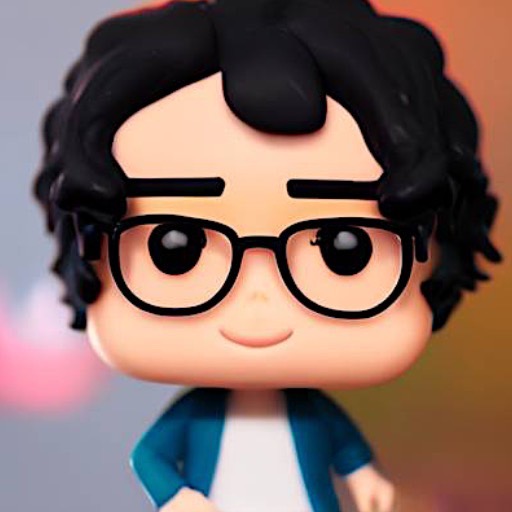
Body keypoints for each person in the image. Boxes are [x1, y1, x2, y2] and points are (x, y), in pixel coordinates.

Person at [33, 0, 501, 511]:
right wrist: (175, 496)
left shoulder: (314, 415)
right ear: (88, 245)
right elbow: (150, 458)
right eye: (176, 247)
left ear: (437, 249)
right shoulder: (196, 417)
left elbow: (346, 449)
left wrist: (364, 474)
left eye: (345, 248)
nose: (258, 300)